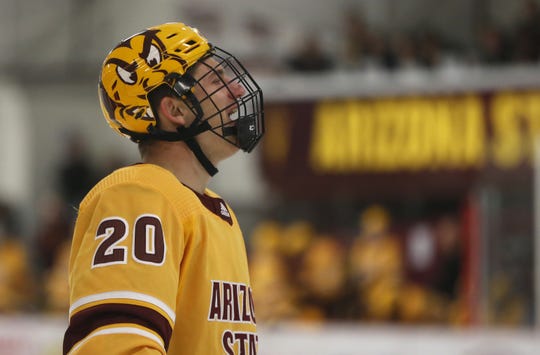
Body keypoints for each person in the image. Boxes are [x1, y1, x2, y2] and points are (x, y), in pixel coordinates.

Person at [63, 22, 264, 355]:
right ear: (175, 110)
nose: (237, 91)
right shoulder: (138, 196)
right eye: (216, 80)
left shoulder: (211, 209)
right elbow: (117, 348)